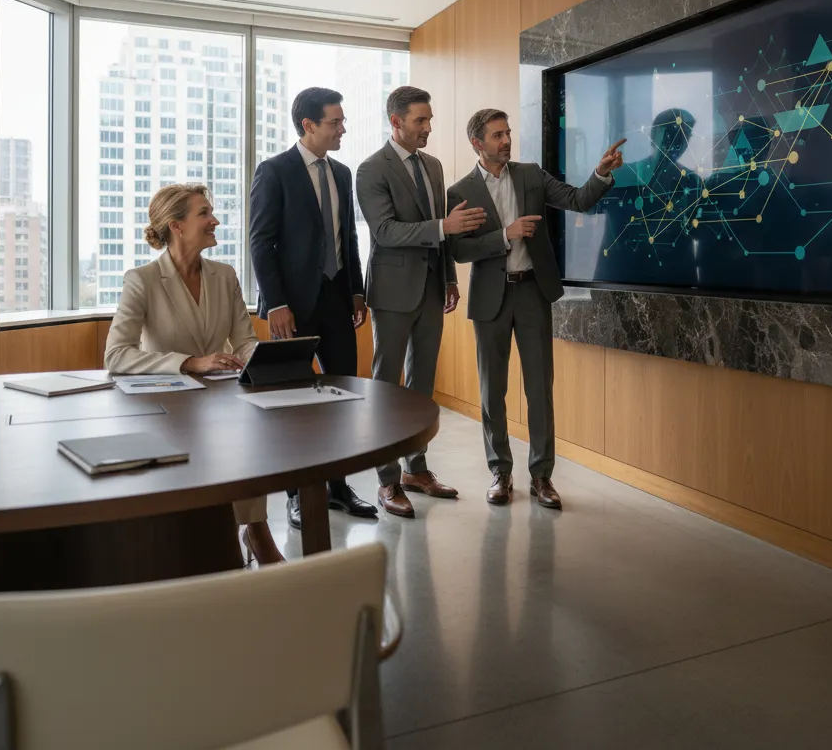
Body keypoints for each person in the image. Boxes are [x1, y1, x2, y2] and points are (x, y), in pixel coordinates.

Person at [446, 109, 624, 510]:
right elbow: (458, 251)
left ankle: (542, 477)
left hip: (532, 293)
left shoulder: (530, 175)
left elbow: (577, 200)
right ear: (477, 143)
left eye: (507, 133)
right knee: (493, 391)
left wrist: (601, 173)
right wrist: (503, 237)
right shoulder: (460, 192)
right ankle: (500, 473)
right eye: (497, 135)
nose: (506, 141)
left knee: (539, 388)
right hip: (490, 299)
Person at [104, 183, 284, 565]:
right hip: (164, 408)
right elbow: (116, 355)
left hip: (219, 402)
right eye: (204, 213)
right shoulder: (142, 280)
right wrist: (188, 362)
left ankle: (255, 530)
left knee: (247, 439)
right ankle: (217, 542)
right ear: (177, 226)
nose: (215, 220)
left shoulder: (225, 275)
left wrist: (266, 360)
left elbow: (244, 341)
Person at [249, 86, 377, 531]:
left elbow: (349, 239)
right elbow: (261, 243)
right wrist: (277, 304)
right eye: (335, 122)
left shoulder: (341, 173)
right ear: (309, 125)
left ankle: (338, 487)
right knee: (295, 406)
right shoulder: (275, 171)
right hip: (292, 307)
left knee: (343, 398)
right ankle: (296, 495)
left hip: (338, 301)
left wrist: (357, 292)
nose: (343, 128)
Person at [355, 85, 486, 518]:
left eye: (429, 120)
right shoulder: (371, 169)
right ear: (396, 122)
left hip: (432, 290)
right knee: (387, 389)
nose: (428, 128)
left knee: (422, 387)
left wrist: (449, 276)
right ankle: (387, 480)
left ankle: (417, 468)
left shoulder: (433, 166)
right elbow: (387, 232)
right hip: (392, 293)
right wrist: (443, 228)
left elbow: (441, 232)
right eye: (420, 121)